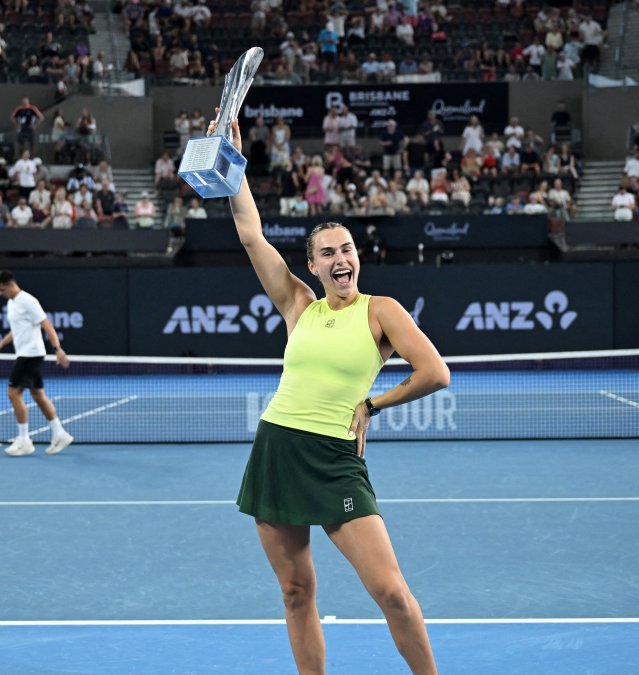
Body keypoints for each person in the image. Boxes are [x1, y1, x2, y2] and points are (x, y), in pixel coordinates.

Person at [218, 114, 447, 675]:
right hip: (277, 451)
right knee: (297, 592)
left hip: (335, 459)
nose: (341, 259)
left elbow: (434, 373)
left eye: (347, 249)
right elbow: (251, 233)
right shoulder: (300, 305)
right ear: (313, 265)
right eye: (328, 253)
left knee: (390, 592)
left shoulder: (381, 311)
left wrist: (371, 404)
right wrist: (233, 161)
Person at [0, 270, 74, 457]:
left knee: (13, 393)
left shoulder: (28, 301)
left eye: (2, 290)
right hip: (27, 354)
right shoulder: (12, 304)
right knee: (38, 394)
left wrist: (57, 349)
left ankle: (24, 440)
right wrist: (1, 344)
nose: (0, 294)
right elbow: (17, 330)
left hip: (30, 355)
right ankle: (60, 433)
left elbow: (47, 325)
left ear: (11, 284)